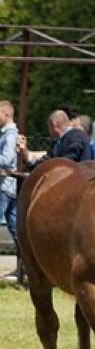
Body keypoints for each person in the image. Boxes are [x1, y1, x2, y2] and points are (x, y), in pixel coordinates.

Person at [17, 109, 91, 167]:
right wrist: (27, 155)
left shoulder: (77, 136)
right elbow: (48, 160)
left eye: (49, 126)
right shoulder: (58, 142)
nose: (48, 130)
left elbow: (70, 160)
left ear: (54, 124)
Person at [0, 101, 18, 252]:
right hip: (9, 185)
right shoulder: (7, 134)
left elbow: (6, 160)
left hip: (5, 185)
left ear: (6, 114)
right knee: (14, 224)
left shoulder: (10, 135)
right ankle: (24, 257)